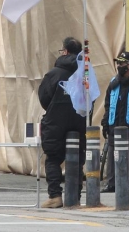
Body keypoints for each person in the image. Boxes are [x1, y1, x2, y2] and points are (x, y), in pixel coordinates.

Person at [38, 37, 86, 208]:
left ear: (65, 51)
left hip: (55, 120)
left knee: (52, 158)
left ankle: (55, 196)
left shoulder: (54, 73)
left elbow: (43, 97)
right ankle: (75, 196)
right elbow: (92, 95)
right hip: (79, 118)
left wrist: (55, 108)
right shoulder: (85, 71)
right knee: (78, 159)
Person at [101, 51, 129, 193]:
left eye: (122, 63)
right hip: (115, 123)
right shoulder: (114, 83)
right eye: (118, 63)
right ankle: (111, 184)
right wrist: (105, 122)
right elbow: (108, 104)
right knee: (112, 154)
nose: (119, 66)